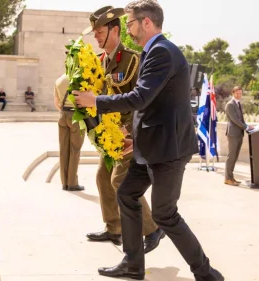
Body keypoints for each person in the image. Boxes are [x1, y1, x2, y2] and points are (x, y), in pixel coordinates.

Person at [73, 1, 223, 280]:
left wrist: (95, 101)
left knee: (166, 214)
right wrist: (136, 140)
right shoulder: (153, 51)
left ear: (146, 23)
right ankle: (133, 263)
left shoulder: (162, 53)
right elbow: (151, 106)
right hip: (151, 145)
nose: (127, 29)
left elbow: (139, 98)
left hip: (168, 150)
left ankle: (206, 273)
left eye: (129, 24)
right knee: (126, 193)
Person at [81, 5, 164, 253]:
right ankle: (113, 227)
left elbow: (144, 99)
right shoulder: (97, 62)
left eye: (99, 31)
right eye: (94, 32)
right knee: (102, 177)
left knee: (121, 180)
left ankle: (152, 229)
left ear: (115, 30)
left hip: (127, 132)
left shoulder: (132, 60)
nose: (95, 36)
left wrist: (135, 131)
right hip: (107, 133)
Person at [54, 73, 86, 191]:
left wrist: (64, 112)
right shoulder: (80, 78)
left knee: (63, 149)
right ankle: (72, 183)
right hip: (75, 116)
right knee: (75, 149)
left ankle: (64, 182)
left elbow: (56, 102)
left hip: (62, 115)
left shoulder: (59, 79)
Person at [224, 86, 254, 186]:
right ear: (233, 93)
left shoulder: (238, 103)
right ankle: (227, 178)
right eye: (237, 93)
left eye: (240, 93)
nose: (239, 95)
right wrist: (246, 127)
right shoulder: (230, 105)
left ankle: (231, 178)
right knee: (231, 156)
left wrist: (248, 126)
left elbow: (241, 119)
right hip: (233, 134)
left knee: (235, 157)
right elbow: (235, 120)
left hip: (239, 133)